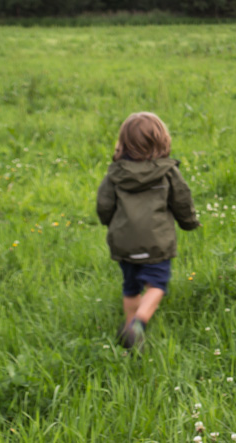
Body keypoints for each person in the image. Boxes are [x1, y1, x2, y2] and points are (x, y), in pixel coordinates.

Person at [96, 111, 200, 350]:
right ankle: (138, 324)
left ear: (124, 143)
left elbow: (104, 205)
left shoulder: (115, 173)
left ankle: (131, 331)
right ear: (161, 141)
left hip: (124, 243)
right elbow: (182, 202)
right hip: (157, 243)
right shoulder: (168, 172)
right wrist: (189, 223)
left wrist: (109, 223)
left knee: (130, 287)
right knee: (156, 285)